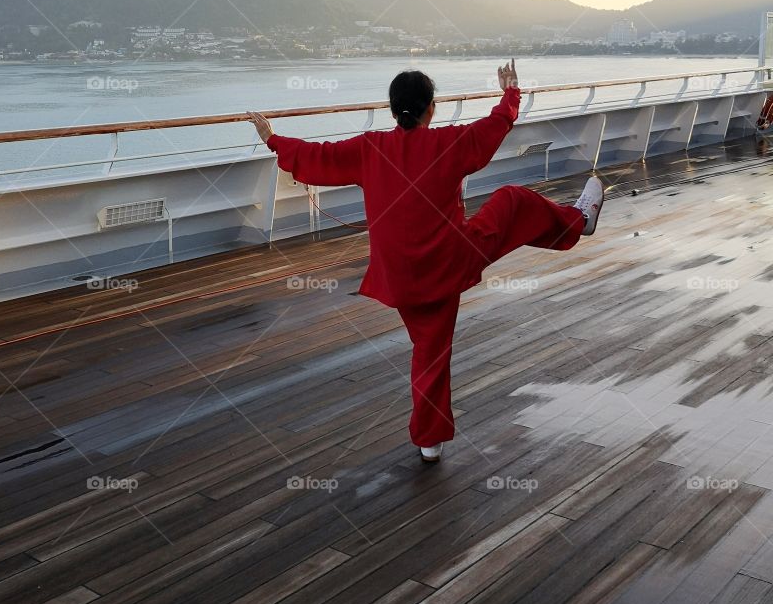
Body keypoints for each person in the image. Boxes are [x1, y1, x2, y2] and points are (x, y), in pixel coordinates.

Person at [248, 61, 603, 463]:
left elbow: (318, 156)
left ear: (392, 109)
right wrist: (510, 94)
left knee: (429, 351)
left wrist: (273, 140)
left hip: (399, 277)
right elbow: (493, 128)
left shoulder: (369, 149)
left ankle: (429, 441)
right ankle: (578, 222)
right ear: (429, 109)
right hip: (449, 263)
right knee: (511, 201)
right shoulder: (447, 144)